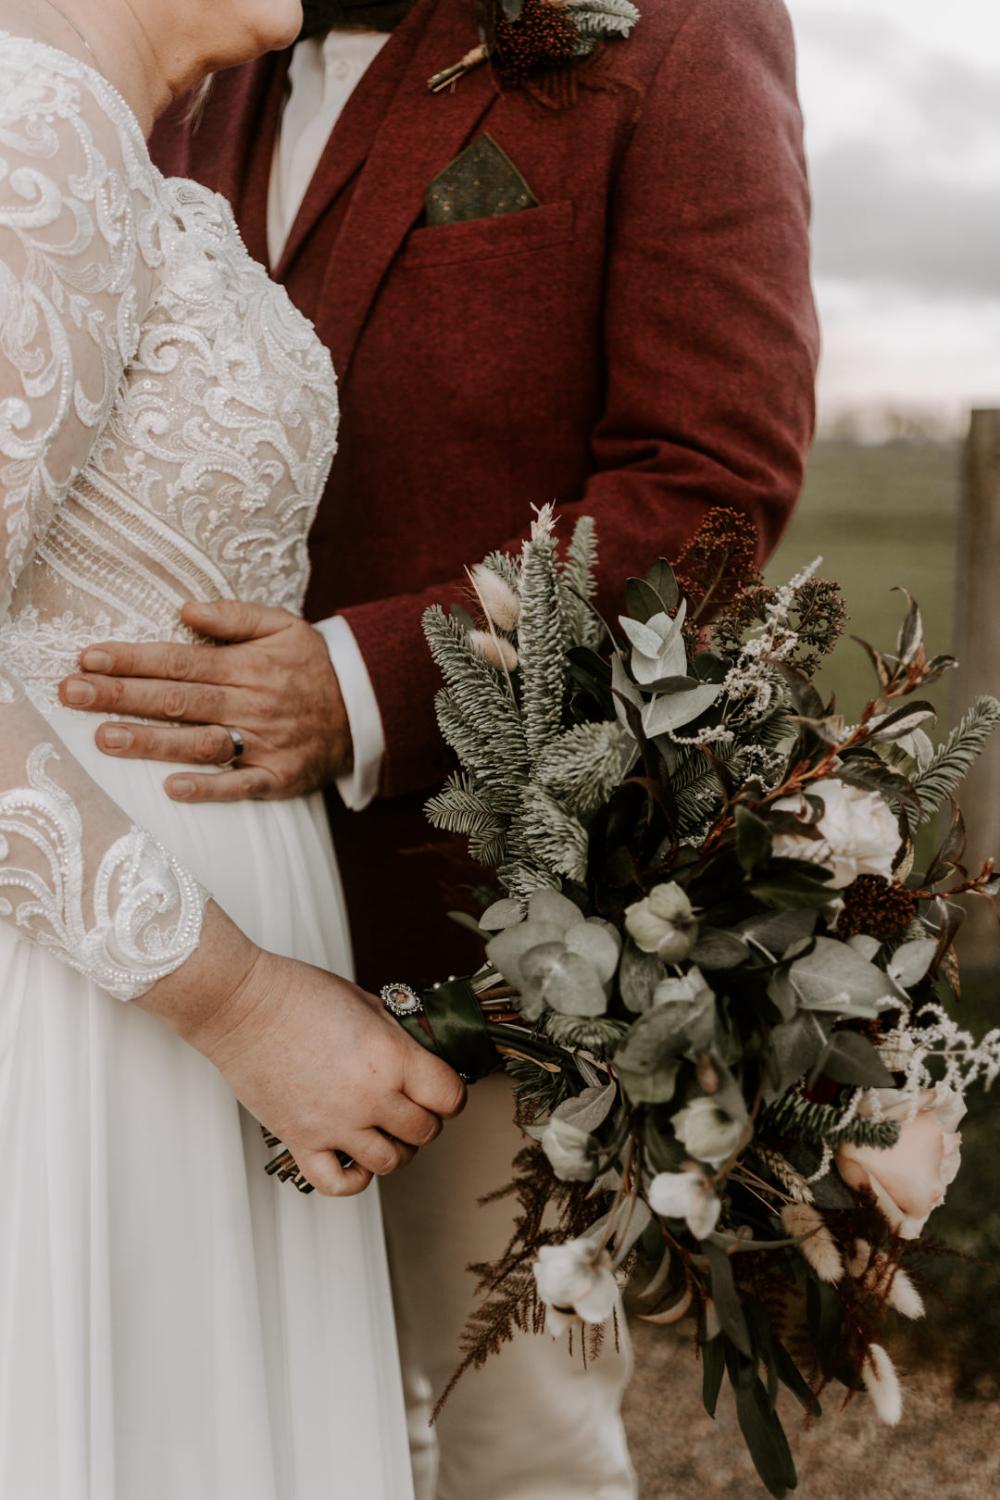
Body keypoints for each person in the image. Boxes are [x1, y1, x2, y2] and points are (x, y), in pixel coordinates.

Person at [70, 0, 819, 1494]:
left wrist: (360, 687)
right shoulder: (192, 58)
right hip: (168, 907)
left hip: (489, 911)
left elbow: (713, 490)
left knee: (513, 1432)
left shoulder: (673, 32)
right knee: (214, 1411)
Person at [0, 2, 467, 1496]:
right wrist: (239, 999)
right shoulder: (36, 129)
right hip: (92, 999)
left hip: (218, 957)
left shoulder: (135, 161)